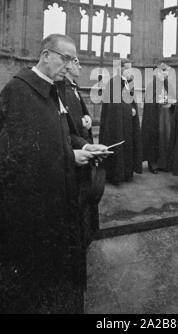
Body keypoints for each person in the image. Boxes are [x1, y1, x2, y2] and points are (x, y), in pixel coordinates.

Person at [0, 34, 109, 314]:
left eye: (73, 60)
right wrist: (70, 157)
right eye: (65, 58)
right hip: (34, 206)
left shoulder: (51, 90)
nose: (70, 65)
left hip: (60, 193)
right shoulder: (19, 90)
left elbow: (62, 135)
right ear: (46, 55)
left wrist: (84, 145)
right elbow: (16, 156)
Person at [56, 57, 106, 247]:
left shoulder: (73, 86)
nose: (80, 66)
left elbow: (82, 112)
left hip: (83, 142)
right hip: (75, 149)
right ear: (67, 66)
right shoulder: (61, 89)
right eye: (76, 63)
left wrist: (86, 118)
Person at [99, 61, 142, 185]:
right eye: (128, 69)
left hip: (127, 120)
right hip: (117, 122)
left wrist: (132, 109)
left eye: (131, 69)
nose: (131, 71)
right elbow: (115, 104)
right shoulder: (114, 82)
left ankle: (127, 172)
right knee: (118, 143)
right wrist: (130, 110)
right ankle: (116, 175)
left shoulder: (128, 83)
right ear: (121, 69)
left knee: (128, 144)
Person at [142, 62, 176, 173]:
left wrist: (172, 103)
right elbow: (148, 102)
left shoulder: (168, 85)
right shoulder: (152, 85)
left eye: (167, 71)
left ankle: (165, 164)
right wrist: (161, 102)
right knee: (155, 138)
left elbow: (173, 99)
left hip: (167, 116)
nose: (165, 73)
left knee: (166, 138)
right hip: (156, 117)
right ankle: (154, 164)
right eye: (163, 71)